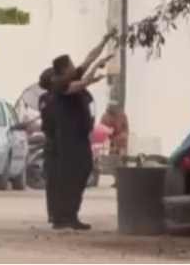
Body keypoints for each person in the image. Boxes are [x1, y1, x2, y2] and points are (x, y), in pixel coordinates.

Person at [49, 30, 116, 230]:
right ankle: (63, 217)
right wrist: (93, 75)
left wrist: (104, 42)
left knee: (83, 171)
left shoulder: (70, 77)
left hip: (79, 138)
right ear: (63, 69)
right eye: (70, 65)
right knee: (71, 176)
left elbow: (89, 58)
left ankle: (70, 215)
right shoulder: (59, 84)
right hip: (69, 140)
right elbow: (78, 86)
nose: (73, 67)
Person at [37, 67, 59, 225]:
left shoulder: (59, 97)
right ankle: (53, 213)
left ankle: (60, 213)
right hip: (53, 142)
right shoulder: (46, 99)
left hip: (61, 142)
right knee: (52, 181)